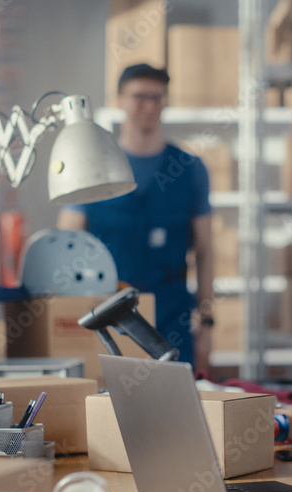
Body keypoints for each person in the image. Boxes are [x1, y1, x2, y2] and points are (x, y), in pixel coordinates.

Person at [58, 63, 214, 373]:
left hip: (172, 312)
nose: (149, 106)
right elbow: (66, 246)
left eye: (157, 98)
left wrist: (207, 324)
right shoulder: (94, 165)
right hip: (110, 314)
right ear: (120, 100)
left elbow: (207, 252)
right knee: (113, 405)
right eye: (140, 96)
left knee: (177, 405)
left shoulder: (190, 168)